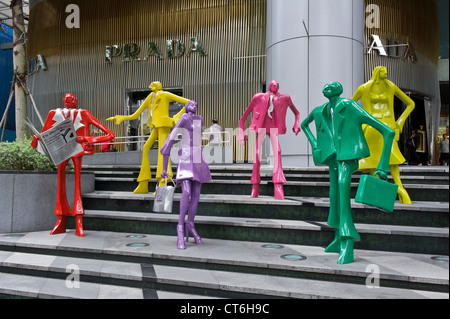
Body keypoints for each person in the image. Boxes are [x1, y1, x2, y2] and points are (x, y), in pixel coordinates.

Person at [301, 82, 394, 264]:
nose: (327, 87)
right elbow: (305, 125)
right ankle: (337, 237)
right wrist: (314, 143)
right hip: (333, 157)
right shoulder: (323, 110)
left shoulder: (349, 106)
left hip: (348, 157)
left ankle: (347, 240)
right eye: (326, 86)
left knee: (342, 189)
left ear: (339, 90)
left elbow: (387, 132)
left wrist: (382, 167)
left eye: (332, 86)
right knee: (334, 193)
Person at [31, 93, 115, 237]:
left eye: (71, 98)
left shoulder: (83, 113)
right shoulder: (54, 113)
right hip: (61, 150)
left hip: (77, 149)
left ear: (75, 100)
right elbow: (43, 134)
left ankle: (78, 221)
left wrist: (89, 139)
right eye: (66, 98)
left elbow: (110, 134)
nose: (68, 100)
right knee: (60, 183)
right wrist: (36, 140)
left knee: (77, 184)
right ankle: (60, 220)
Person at [107, 81, 189, 193]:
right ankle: (143, 182)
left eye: (153, 85)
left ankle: (162, 182)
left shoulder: (165, 94)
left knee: (162, 151)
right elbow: (135, 115)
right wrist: (121, 118)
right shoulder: (150, 96)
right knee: (145, 148)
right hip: (156, 126)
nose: (151, 86)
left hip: (164, 125)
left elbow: (189, 102)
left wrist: (176, 117)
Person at [351, 66, 415, 204]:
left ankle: (400, 190)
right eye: (383, 72)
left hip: (388, 127)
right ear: (377, 73)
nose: (386, 74)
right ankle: (379, 194)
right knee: (375, 160)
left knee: (391, 159)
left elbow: (411, 103)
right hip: (371, 127)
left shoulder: (390, 86)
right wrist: (359, 123)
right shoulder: (364, 88)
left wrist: (400, 122)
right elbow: (351, 105)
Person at [160, 101, 212, 250]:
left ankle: (191, 224)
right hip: (185, 157)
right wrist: (165, 167)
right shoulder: (183, 118)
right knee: (186, 192)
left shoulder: (199, 119)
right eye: (191, 103)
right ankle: (180, 228)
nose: (194, 105)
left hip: (197, 157)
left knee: (196, 195)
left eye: (196, 104)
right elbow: (170, 140)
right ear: (185, 106)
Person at [238, 80, 301, 200]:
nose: (275, 86)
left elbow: (296, 113)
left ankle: (278, 184)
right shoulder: (258, 97)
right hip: (261, 127)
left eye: (277, 84)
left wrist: (296, 124)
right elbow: (243, 118)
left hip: (273, 128)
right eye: (273, 84)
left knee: (277, 152)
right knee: (257, 154)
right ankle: (255, 185)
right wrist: (241, 134)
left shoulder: (285, 98)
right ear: (269, 86)